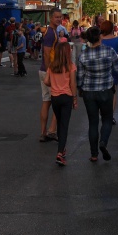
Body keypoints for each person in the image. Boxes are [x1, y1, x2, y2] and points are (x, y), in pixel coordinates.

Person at [76, 26, 118, 162]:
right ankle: (103, 142)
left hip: (89, 92)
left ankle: (93, 154)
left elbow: (79, 77)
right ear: (100, 37)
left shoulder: (83, 55)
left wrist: (80, 90)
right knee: (106, 119)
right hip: (106, 90)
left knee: (92, 123)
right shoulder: (109, 51)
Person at [42, 41, 77, 166]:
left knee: (60, 121)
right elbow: (73, 84)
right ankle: (60, 153)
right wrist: (75, 99)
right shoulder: (70, 66)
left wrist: (55, 84)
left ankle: (62, 149)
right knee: (64, 125)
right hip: (66, 97)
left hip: (55, 97)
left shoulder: (52, 66)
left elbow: (46, 81)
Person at [37, 10, 66, 142]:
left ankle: (43, 132)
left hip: (44, 70)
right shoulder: (50, 33)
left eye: (60, 17)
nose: (59, 19)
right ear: (50, 18)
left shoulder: (52, 32)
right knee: (58, 101)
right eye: (56, 17)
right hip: (48, 70)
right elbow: (47, 53)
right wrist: (50, 71)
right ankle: (51, 130)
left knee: (46, 101)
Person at [100, 19, 118, 125]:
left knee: (101, 91)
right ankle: (110, 116)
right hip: (113, 68)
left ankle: (102, 113)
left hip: (101, 67)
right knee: (113, 92)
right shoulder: (117, 40)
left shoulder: (99, 39)